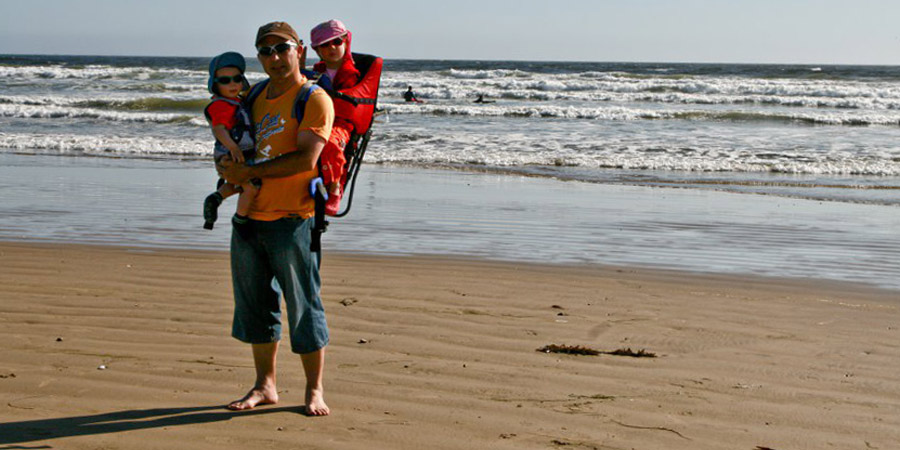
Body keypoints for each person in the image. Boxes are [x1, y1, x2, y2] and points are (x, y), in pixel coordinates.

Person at [216, 21, 334, 416]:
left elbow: (306, 159)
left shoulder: (313, 99)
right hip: (249, 217)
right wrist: (226, 168)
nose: (274, 58)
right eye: (265, 51)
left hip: (294, 219)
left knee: (303, 306)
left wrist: (249, 174)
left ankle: (314, 390)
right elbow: (238, 143)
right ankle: (265, 386)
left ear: (299, 49)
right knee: (255, 305)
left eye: (281, 48)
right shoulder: (256, 96)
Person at [202, 52, 259, 230]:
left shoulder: (236, 102)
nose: (232, 84)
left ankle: (217, 197)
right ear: (216, 85)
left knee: (238, 184)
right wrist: (233, 148)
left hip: (239, 152)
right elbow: (218, 129)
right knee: (250, 188)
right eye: (225, 81)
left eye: (236, 79)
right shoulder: (221, 105)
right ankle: (240, 219)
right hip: (231, 154)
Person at [309, 19, 361, 215]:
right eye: (325, 44)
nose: (332, 47)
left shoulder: (349, 72)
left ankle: (335, 186)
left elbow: (349, 100)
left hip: (341, 122)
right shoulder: (316, 72)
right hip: (318, 118)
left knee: (329, 143)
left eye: (336, 42)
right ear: (318, 50)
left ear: (345, 42)